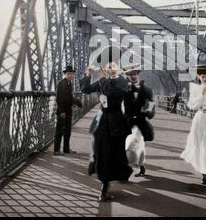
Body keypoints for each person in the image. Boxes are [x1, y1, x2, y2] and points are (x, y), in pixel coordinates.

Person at [80, 56, 133, 202]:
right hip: (102, 120)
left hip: (115, 121)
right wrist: (88, 75)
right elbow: (85, 89)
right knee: (100, 151)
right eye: (107, 66)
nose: (109, 69)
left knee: (114, 152)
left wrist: (102, 79)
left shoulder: (122, 81)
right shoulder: (102, 81)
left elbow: (110, 93)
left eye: (112, 66)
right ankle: (104, 184)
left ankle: (108, 182)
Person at [124, 65, 155, 177]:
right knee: (129, 144)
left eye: (135, 74)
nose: (133, 76)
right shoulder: (124, 90)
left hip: (141, 121)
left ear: (138, 74)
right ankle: (135, 167)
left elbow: (151, 105)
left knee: (138, 143)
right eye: (130, 74)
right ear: (128, 76)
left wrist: (148, 112)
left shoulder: (147, 90)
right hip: (128, 121)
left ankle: (138, 167)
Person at [54, 65, 82, 156]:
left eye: (71, 74)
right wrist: (61, 112)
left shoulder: (69, 84)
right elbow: (58, 99)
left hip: (68, 111)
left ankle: (66, 149)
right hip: (62, 112)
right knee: (59, 131)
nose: (70, 75)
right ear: (65, 74)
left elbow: (69, 97)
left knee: (67, 131)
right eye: (68, 74)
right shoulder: (61, 83)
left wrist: (75, 103)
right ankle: (56, 150)